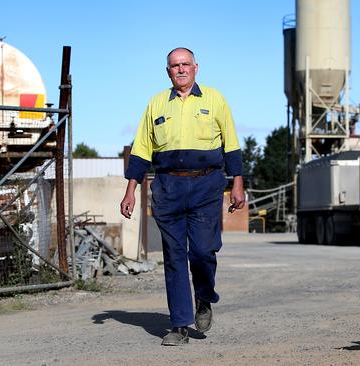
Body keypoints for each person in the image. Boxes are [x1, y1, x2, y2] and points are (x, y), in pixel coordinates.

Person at [120, 47, 245, 346]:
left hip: (206, 187)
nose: (180, 69)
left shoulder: (215, 99)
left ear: (196, 68)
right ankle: (179, 325)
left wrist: (237, 183)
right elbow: (141, 151)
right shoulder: (156, 104)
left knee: (202, 251)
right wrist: (130, 191)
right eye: (175, 66)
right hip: (168, 189)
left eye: (185, 64)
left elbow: (231, 146)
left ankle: (204, 297)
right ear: (168, 71)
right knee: (174, 257)